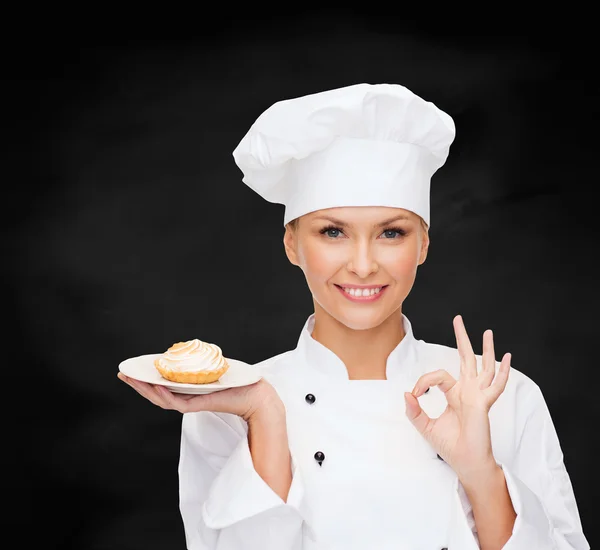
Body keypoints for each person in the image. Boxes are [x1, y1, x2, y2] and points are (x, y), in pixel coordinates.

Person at [118, 83, 590, 550]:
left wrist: (480, 473)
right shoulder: (228, 409)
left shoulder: (504, 397)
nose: (363, 264)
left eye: (391, 232)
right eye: (333, 232)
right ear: (292, 244)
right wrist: (265, 415)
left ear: (423, 244)